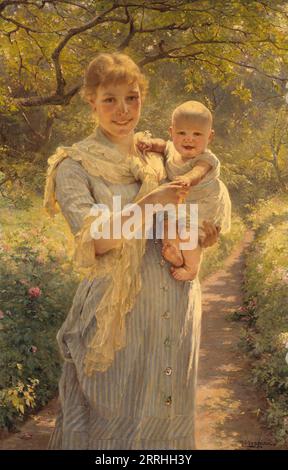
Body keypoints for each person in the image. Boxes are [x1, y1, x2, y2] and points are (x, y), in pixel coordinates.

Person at [43, 52, 219, 450]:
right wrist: (149, 202)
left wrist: (200, 239)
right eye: (110, 99)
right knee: (111, 428)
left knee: (167, 424)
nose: (123, 111)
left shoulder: (159, 154)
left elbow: (189, 210)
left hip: (174, 303)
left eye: (132, 98)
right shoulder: (74, 165)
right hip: (116, 316)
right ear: (91, 101)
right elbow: (95, 240)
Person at [136, 100, 231, 281]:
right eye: (182, 133)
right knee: (166, 225)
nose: (189, 138)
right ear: (171, 132)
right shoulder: (171, 148)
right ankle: (175, 253)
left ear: (209, 137)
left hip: (202, 202)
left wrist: (187, 179)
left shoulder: (206, 158)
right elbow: (161, 145)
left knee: (190, 233)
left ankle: (191, 267)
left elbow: (198, 172)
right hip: (180, 202)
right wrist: (150, 144)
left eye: (197, 134)